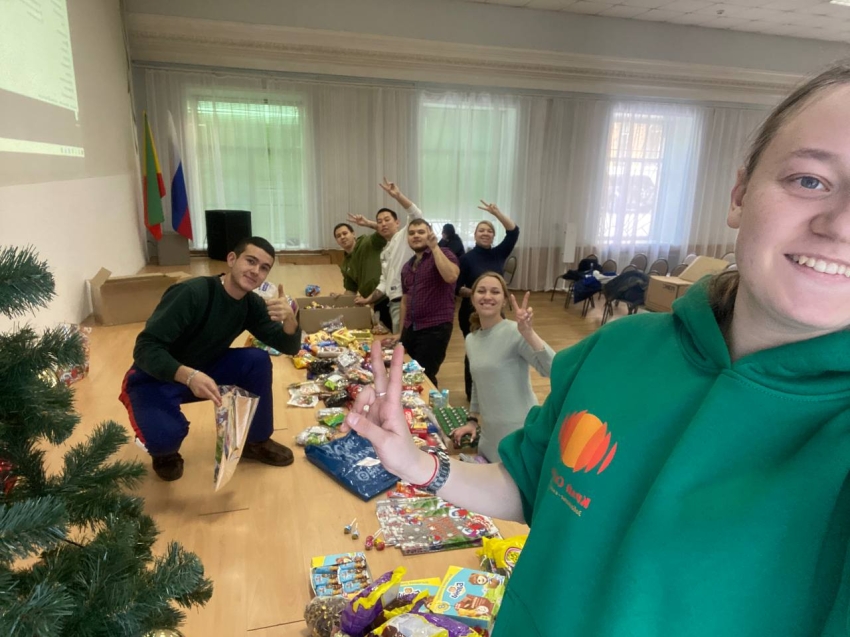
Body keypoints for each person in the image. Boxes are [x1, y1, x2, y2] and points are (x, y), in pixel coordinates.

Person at [341, 64, 850, 636]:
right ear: (739, 194)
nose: (840, 224)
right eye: (810, 180)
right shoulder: (616, 350)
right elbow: (526, 484)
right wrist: (417, 464)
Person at [119, 237, 302, 482]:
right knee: (164, 437)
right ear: (231, 259)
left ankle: (255, 442)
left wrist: (290, 319)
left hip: (205, 368)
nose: (255, 271)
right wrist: (188, 375)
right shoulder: (192, 293)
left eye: (264, 268)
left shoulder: (251, 304)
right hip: (154, 377)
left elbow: (289, 346)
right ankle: (165, 454)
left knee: (256, 360)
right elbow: (145, 348)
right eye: (250, 261)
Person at [450, 273, 554, 462]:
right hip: (490, 436)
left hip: (519, 434)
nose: (487, 296)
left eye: (495, 292)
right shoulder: (471, 339)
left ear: (504, 300)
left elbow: (552, 369)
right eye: (481, 291)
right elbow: (477, 382)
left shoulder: (516, 332)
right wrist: (472, 420)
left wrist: (529, 333)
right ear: (472, 299)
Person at [456, 202, 520, 400]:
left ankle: (494, 390)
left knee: (498, 350)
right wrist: (479, 294)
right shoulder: (466, 259)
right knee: (474, 352)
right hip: (471, 312)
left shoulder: (499, 253)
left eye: (489, 231)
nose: (485, 233)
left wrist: (497, 213)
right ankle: (473, 394)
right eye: (481, 230)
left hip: (496, 312)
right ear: (475, 235)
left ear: (493, 236)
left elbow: (514, 231)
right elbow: (457, 287)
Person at [348, 178, 424, 333]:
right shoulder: (385, 251)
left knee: (407, 342)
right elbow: (383, 283)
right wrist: (367, 300)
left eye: (387, 220)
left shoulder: (405, 236)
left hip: (410, 301)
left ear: (397, 222)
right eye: (379, 221)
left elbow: (416, 215)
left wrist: (398, 196)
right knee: (399, 341)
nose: (383, 224)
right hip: (393, 303)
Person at [400, 218, 460, 386]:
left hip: (435, 328)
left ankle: (429, 403)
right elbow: (405, 300)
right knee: (407, 373)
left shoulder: (444, 253)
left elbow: (451, 276)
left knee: (424, 377)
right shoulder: (407, 267)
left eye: (421, 232)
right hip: (411, 328)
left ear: (430, 234)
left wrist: (434, 247)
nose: (416, 236)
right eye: (412, 233)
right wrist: (401, 333)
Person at [332, 220, 390, 329]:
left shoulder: (368, 242)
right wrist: (341, 299)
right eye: (338, 236)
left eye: (345, 233)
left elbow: (383, 231)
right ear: (337, 241)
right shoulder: (345, 264)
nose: (342, 237)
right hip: (373, 302)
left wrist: (367, 223)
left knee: (396, 333)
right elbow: (351, 290)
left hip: (388, 297)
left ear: (353, 234)